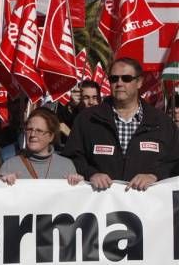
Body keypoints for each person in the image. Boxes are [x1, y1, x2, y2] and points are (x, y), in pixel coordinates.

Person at [64, 57, 179, 191]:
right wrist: (91, 173)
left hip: (147, 207)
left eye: (126, 78)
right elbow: (72, 157)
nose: (119, 83)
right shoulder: (87, 119)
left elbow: (175, 162)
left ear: (139, 82)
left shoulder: (162, 122)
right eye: (114, 79)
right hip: (99, 204)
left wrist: (154, 176)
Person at [0, 108, 83, 185]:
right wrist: (4, 184)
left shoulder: (66, 166)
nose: (32, 134)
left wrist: (77, 184)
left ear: (51, 136)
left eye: (39, 131)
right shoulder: (10, 165)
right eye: (29, 129)